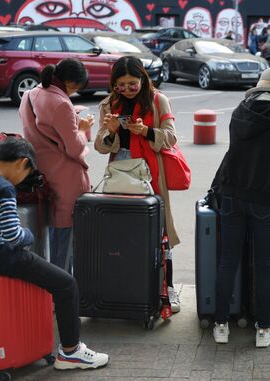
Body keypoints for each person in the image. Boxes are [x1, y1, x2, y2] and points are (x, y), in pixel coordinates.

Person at [0, 138, 109, 370]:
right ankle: (71, 352)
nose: (24, 179)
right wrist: (29, 235)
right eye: (28, 172)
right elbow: (14, 236)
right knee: (66, 284)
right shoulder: (2, 188)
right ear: (22, 163)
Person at [212, 68, 270, 348]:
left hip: (231, 194)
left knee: (227, 259)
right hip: (266, 198)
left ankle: (220, 324)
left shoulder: (239, 113)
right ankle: (263, 328)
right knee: (266, 263)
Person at [94, 56, 182, 313]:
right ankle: (126, 286)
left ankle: (169, 288)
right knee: (123, 233)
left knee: (160, 232)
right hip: (120, 176)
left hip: (151, 175)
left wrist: (144, 131)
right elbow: (100, 146)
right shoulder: (110, 103)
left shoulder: (157, 100)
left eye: (132, 84)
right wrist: (111, 131)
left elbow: (171, 137)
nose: (127, 90)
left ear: (143, 78)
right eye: (120, 85)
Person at [19, 58, 93, 273]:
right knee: (64, 239)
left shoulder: (30, 95)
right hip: (65, 177)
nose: (74, 93)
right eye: (76, 88)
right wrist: (82, 128)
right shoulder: (62, 104)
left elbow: (41, 128)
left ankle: (51, 292)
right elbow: (74, 148)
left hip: (41, 173)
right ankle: (60, 294)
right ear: (70, 83)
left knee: (49, 236)